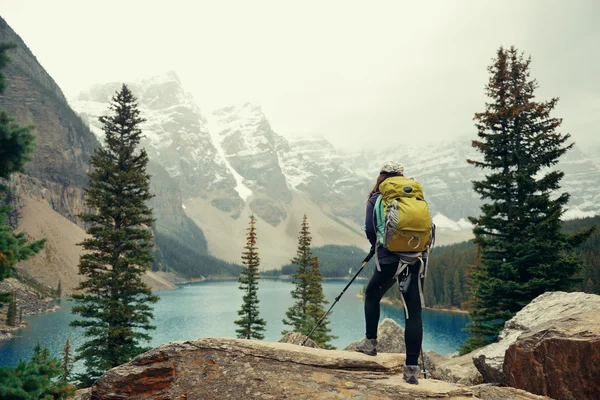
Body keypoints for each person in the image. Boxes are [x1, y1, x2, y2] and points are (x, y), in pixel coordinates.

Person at [355, 161, 431, 385]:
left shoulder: (376, 197)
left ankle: (370, 344)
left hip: (388, 258)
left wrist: (376, 246)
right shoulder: (414, 196)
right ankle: (411, 369)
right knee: (413, 311)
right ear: (401, 176)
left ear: (381, 176)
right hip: (414, 258)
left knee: (372, 295)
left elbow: (370, 229)